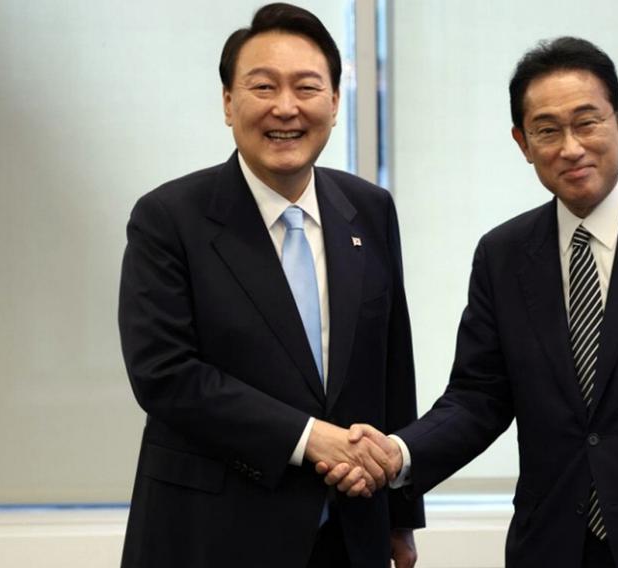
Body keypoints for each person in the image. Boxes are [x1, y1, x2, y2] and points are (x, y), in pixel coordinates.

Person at [323, 37, 618, 568]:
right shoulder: (503, 255)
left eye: (587, 121)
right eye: (547, 130)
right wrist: (399, 454)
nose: (570, 147)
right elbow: (478, 398)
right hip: (554, 543)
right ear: (522, 143)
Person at [117, 4, 423, 567]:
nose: (286, 107)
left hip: (348, 535)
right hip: (210, 536)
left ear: (334, 103)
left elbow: (391, 369)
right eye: (263, 87)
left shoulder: (369, 210)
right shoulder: (170, 217)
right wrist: (311, 438)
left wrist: (400, 517)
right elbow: (165, 375)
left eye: (308, 87)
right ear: (229, 104)